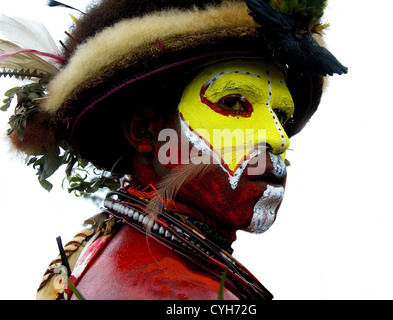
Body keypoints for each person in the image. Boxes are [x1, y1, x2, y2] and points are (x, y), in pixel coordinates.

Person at [1, 0, 347, 300]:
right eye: (234, 102)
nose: (278, 137)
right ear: (145, 129)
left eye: (282, 116)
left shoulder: (100, 256)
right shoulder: (180, 292)